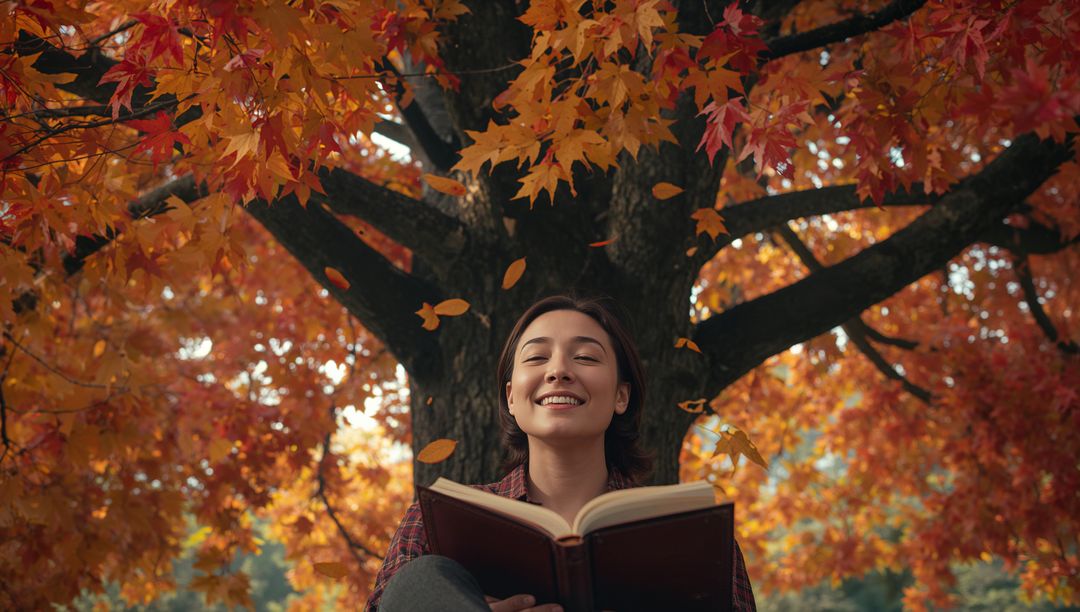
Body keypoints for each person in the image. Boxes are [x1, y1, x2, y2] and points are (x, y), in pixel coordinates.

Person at [365, 294, 757, 611]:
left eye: (585, 357)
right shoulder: (435, 522)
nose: (559, 371)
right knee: (422, 577)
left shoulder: (692, 532)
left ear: (622, 395)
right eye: (537, 357)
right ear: (512, 398)